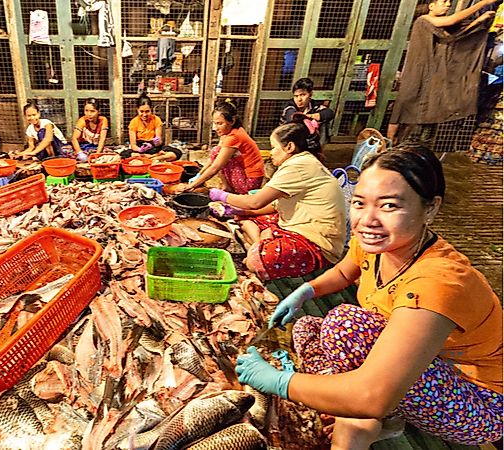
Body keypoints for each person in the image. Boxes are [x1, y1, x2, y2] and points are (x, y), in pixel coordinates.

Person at [235, 145, 503, 448]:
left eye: (389, 206)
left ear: (430, 208)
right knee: (306, 326)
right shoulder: (378, 242)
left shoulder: (438, 281)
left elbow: (371, 396)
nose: (368, 220)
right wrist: (306, 291)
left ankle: (363, 416)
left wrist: (280, 383)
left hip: (476, 400)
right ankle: (366, 407)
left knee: (344, 325)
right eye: (360, 203)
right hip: (418, 365)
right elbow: (345, 273)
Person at [207, 118, 345, 280]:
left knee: (255, 263)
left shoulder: (298, 166)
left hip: (317, 241)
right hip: (296, 224)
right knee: (243, 216)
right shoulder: (303, 162)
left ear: (290, 147)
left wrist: (223, 196)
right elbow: (274, 205)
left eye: (274, 147)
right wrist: (240, 210)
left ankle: (258, 245)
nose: (271, 152)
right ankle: (261, 240)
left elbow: (255, 202)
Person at [387, 0, 498, 146]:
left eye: (448, 3)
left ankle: (414, 144)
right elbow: (454, 19)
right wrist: (482, 3)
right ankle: (388, 143)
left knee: (423, 108)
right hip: (417, 71)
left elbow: (454, 38)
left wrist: (478, 21)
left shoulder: (440, 27)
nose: (447, 5)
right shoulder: (423, 20)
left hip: (430, 74)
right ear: (431, 6)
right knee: (404, 105)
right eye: (443, 2)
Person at [178, 100, 265, 194]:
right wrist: (199, 174)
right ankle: (227, 187)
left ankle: (231, 190)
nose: (215, 128)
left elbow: (215, 167)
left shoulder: (234, 136)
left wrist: (192, 185)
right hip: (243, 173)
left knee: (217, 153)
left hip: (250, 181)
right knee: (216, 151)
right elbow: (212, 160)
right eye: (214, 123)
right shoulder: (228, 133)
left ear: (232, 120)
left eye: (219, 123)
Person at [280, 77, 334, 155]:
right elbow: (295, 119)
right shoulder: (289, 106)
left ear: (310, 94)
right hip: (289, 141)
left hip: (308, 140)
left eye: (303, 95)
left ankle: (317, 151)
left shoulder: (314, 105)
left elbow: (329, 113)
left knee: (324, 124)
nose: (299, 99)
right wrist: (311, 119)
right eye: (296, 96)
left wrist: (310, 116)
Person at [121, 95, 181, 162]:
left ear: (151, 109)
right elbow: (133, 145)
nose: (144, 115)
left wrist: (156, 142)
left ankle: (150, 159)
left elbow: (159, 141)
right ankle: (155, 158)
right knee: (124, 154)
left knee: (177, 152)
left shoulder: (156, 119)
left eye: (147, 111)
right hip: (141, 148)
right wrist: (140, 150)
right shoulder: (133, 122)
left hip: (154, 148)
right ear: (137, 109)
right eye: (141, 111)